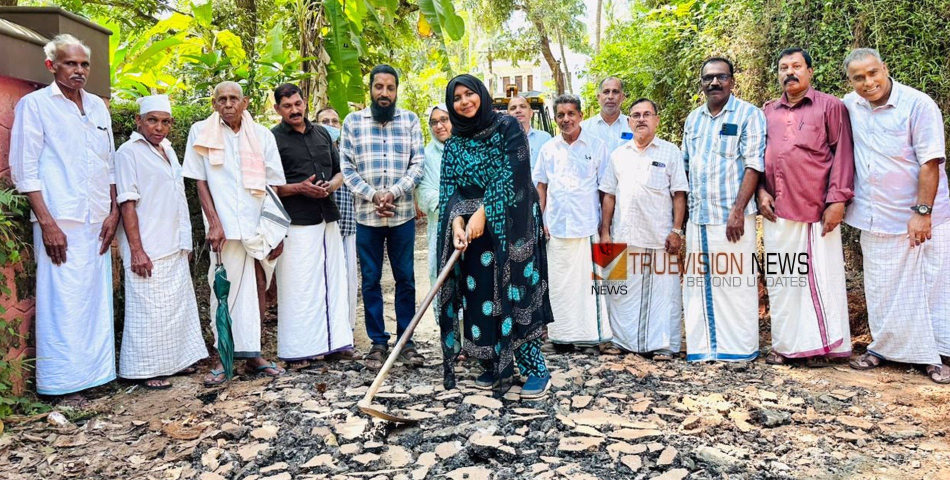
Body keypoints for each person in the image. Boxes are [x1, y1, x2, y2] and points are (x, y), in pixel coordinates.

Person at [10, 34, 119, 404]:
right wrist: (48, 223)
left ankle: (96, 376)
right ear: (51, 66)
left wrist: (113, 211)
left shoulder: (98, 107)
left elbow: (109, 165)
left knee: (94, 302)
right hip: (60, 220)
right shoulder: (35, 105)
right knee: (62, 302)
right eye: (70, 63)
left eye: (84, 64)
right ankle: (62, 385)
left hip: (97, 220)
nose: (79, 70)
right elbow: (24, 170)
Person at [437, 74, 554, 399]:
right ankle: (492, 364)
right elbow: (449, 187)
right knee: (479, 295)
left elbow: (512, 172)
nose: (464, 101)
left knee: (516, 294)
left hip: (514, 227)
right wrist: (456, 223)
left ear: (481, 94)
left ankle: (535, 370)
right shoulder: (455, 143)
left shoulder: (507, 127)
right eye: (457, 98)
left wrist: (483, 212)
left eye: (469, 94)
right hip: (474, 235)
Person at [841, 48, 950, 384]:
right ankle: (883, 349)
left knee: (931, 286)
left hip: (920, 216)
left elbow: (930, 162)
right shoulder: (850, 105)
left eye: (873, 73)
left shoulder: (918, 105)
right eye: (858, 78)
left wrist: (922, 212)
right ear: (851, 82)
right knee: (882, 288)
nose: (868, 82)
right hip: (875, 216)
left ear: (885, 68)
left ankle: (935, 356)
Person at [182, 81, 288, 386]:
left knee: (259, 285)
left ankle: (254, 355)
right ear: (214, 104)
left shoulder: (263, 135)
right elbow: (200, 181)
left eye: (233, 99)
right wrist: (214, 223)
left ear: (245, 102)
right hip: (224, 229)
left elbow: (273, 185)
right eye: (222, 99)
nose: (228, 104)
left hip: (257, 227)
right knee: (222, 291)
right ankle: (222, 357)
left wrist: (275, 232)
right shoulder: (201, 132)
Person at [760, 48, 854, 367]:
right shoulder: (768, 111)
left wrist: (837, 201)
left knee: (817, 280)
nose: (790, 72)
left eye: (797, 66)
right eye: (783, 67)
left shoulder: (830, 106)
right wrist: (760, 192)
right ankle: (785, 344)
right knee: (782, 280)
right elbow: (757, 157)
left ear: (810, 71)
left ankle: (819, 346)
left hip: (815, 210)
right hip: (775, 210)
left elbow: (843, 155)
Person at [115, 95, 208, 389]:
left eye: (165, 122)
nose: (159, 127)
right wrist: (136, 250)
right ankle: (145, 370)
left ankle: (176, 363)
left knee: (176, 310)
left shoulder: (168, 149)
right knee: (149, 311)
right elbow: (127, 202)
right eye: (152, 120)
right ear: (138, 121)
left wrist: (186, 241)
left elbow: (178, 197)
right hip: (148, 246)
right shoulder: (128, 152)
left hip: (174, 243)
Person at [340, 65, 425, 369]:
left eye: (390, 88)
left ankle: (406, 342)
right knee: (371, 280)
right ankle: (378, 342)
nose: (384, 93)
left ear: (397, 90)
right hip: (367, 216)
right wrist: (374, 195)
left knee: (406, 279)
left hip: (402, 215)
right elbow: (347, 168)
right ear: (371, 89)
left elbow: (417, 164)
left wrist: (393, 192)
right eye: (379, 87)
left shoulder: (410, 120)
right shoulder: (353, 122)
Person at [681, 57, 766, 362]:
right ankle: (704, 349)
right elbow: (686, 166)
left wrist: (738, 210)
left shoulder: (749, 115)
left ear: (732, 80)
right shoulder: (693, 120)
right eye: (708, 78)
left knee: (735, 283)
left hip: (733, 219)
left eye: (721, 77)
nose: (714, 82)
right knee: (698, 285)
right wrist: (683, 219)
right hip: (699, 218)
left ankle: (739, 349)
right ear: (701, 83)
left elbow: (754, 164)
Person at [271, 84, 353, 369]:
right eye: (287, 106)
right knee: (299, 286)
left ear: (304, 102)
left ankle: (335, 344)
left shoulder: (322, 133)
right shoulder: (272, 139)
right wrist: (299, 188)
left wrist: (330, 186)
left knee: (333, 281)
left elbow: (340, 172)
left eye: (297, 104)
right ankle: (299, 351)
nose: (294, 110)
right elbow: (269, 186)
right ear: (277, 109)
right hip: (296, 221)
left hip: (327, 216)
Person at [599, 98, 688, 360]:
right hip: (623, 235)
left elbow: (679, 194)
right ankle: (620, 341)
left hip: (660, 237)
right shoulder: (618, 155)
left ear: (656, 120)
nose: (641, 119)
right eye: (636, 115)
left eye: (647, 114)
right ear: (629, 122)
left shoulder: (670, 152)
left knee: (663, 296)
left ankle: (663, 345)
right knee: (619, 293)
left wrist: (676, 231)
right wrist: (605, 232)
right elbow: (609, 195)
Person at [534, 95, 615, 355]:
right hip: (556, 228)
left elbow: (606, 190)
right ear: (555, 119)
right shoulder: (549, 149)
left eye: (571, 114)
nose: (566, 119)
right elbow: (541, 187)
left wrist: (605, 229)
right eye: (561, 115)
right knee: (559, 285)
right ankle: (561, 337)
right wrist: (540, 220)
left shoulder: (597, 146)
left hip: (587, 226)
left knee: (590, 286)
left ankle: (591, 338)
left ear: (580, 116)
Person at [318, 107, 360, 337]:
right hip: (322, 227)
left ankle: (347, 331)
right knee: (325, 281)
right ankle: (325, 333)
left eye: (335, 121)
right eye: (325, 121)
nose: (331, 125)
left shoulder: (348, 152)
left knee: (348, 281)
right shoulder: (315, 150)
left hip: (348, 226)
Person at [416, 104, 452, 287]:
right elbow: (423, 191)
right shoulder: (426, 155)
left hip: (473, 225)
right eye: (434, 122)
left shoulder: (469, 148)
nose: (439, 126)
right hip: (440, 225)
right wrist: (454, 206)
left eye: (444, 120)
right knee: (442, 278)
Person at [579, 77, 633, 154]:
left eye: (615, 92)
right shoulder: (584, 128)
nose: (610, 96)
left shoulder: (633, 126)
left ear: (622, 97)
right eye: (606, 92)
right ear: (598, 97)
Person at [506, 95, 551, 172]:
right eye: (513, 108)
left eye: (523, 106)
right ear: (507, 115)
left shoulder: (545, 139)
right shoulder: (501, 141)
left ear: (531, 113)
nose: (518, 110)